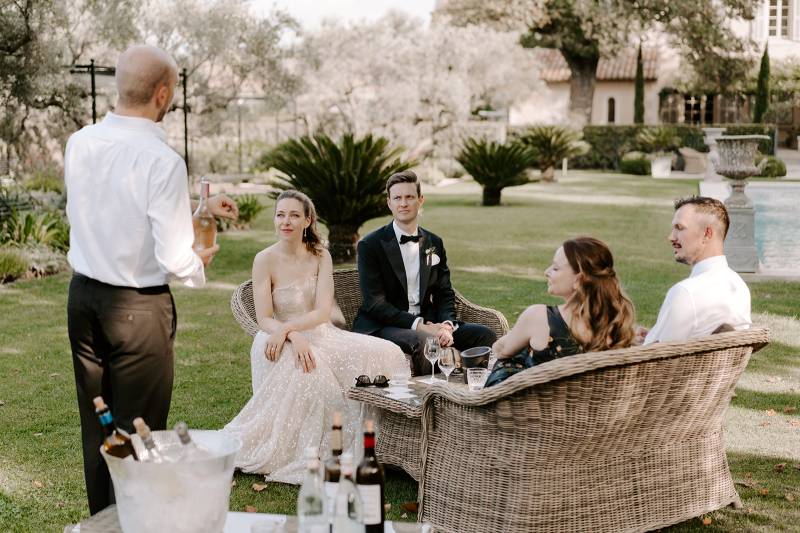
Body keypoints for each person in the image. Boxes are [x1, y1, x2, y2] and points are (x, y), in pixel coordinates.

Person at [65, 44, 238, 515]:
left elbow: (110, 212)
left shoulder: (79, 142)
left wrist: (195, 208)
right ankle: (138, 521)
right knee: (139, 429)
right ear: (162, 94)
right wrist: (198, 259)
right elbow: (173, 256)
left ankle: (104, 523)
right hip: (137, 310)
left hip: (82, 301)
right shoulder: (161, 160)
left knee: (99, 425)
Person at [223, 190, 408, 484]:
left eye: (294, 215)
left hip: (320, 333)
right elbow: (264, 318)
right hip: (274, 340)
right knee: (312, 372)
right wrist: (291, 336)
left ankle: (389, 444)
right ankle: (318, 450)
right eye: (280, 214)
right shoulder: (264, 259)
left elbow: (323, 311)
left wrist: (291, 329)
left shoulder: (321, 255)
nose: (286, 221)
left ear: (307, 220)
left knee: (386, 352)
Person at [353, 170, 497, 376]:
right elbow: (375, 304)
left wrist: (446, 325)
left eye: (409, 197)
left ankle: (470, 396)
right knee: (427, 342)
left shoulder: (434, 243)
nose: (403, 203)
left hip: (429, 322)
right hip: (384, 325)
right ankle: (428, 402)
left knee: (484, 335)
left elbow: (444, 292)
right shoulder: (370, 245)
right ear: (389, 203)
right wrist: (420, 326)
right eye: (397, 198)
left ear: (421, 200)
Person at [487, 237, 636, 387]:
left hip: (535, 408)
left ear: (579, 280)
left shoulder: (539, 317)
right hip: (596, 408)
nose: (546, 272)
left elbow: (501, 351)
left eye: (555, 268)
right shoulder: (618, 324)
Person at [641, 196, 751, 344]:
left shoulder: (685, 293)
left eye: (679, 228)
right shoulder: (739, 286)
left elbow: (655, 357)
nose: (671, 237)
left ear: (707, 234)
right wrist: (650, 336)